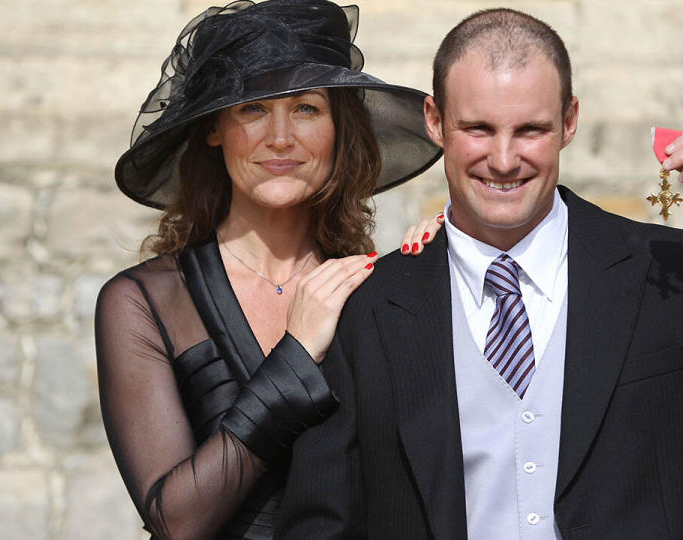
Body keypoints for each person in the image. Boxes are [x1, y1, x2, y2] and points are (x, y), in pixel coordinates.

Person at [277, 7, 683, 539]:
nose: (505, 159)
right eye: (479, 128)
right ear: (435, 121)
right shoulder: (366, 306)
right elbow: (321, 523)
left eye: (531, 129)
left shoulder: (671, 272)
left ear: (569, 121)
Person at [95, 0, 442, 538]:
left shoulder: (371, 288)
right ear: (215, 130)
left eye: (306, 107)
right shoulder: (143, 302)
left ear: (338, 129)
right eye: (252, 108)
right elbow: (176, 521)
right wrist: (298, 355)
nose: (280, 137)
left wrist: (444, 269)